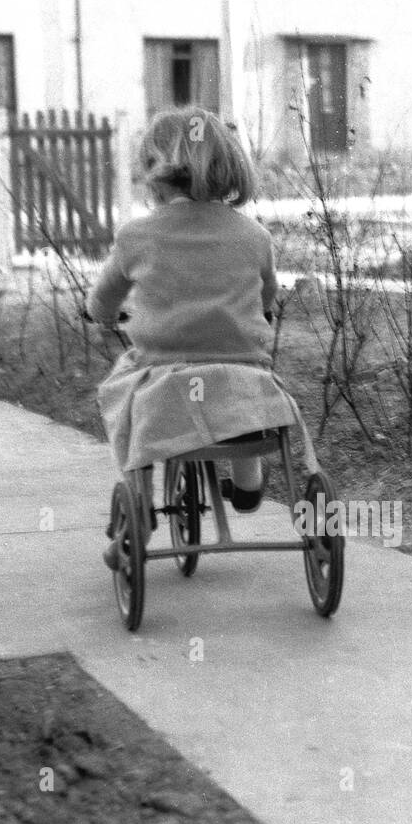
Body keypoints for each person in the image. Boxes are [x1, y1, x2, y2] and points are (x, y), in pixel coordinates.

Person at [85, 106, 279, 534]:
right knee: (249, 406)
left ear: (156, 171)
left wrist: (98, 314)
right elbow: (267, 296)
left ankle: (139, 496)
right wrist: (258, 312)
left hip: (163, 380)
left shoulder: (136, 237)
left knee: (122, 400)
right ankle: (247, 486)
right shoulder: (253, 236)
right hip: (238, 376)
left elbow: (105, 298)